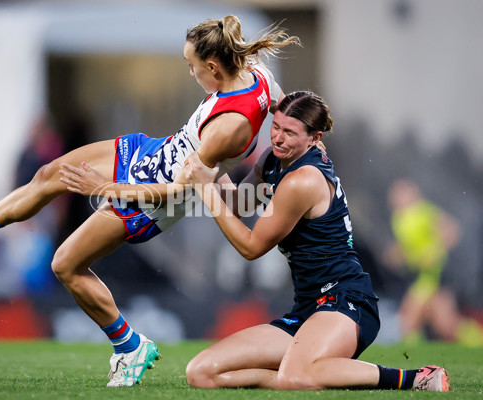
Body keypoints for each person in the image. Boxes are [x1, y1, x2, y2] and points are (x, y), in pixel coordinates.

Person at [0, 15, 299, 387]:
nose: (190, 72)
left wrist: (105, 187)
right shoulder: (258, 75)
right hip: (153, 152)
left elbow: (182, 190)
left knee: (65, 264)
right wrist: (306, 151)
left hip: (151, 199)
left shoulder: (229, 128)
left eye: (192, 65)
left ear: (214, 67)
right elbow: (288, 112)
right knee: (49, 175)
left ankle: (130, 347)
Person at [182, 91, 450, 392]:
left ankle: (414, 378)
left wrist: (205, 190)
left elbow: (251, 247)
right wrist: (216, 165)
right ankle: (299, 374)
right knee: (201, 373)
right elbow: (238, 207)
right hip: (307, 309)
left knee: (296, 377)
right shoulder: (274, 160)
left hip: (345, 302)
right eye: (276, 127)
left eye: (290, 132)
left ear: (314, 137)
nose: (279, 138)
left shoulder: (304, 180)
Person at [385, 178, 482, 346]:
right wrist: (398, 255)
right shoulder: (398, 220)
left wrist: (434, 251)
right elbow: (411, 248)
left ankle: (412, 358)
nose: (398, 198)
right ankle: (477, 341)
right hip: (423, 275)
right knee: (445, 324)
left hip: (435, 274)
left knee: (409, 318)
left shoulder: (423, 211)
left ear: (414, 193)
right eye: (395, 194)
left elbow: (452, 231)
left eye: (402, 193)